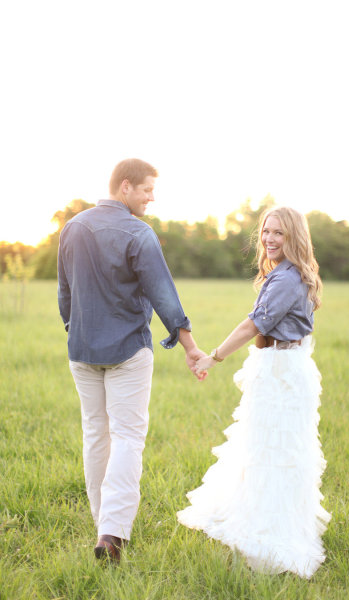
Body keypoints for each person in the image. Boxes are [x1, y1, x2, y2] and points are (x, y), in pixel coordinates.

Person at [58, 158, 206, 562]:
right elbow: (163, 295)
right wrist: (191, 346)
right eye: (147, 190)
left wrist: (75, 330)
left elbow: (64, 292)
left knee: (95, 435)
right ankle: (112, 534)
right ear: (125, 186)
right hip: (127, 351)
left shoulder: (73, 227)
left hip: (82, 350)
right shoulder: (139, 233)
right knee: (126, 437)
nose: (152, 198)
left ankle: (101, 524)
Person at [177, 206, 331, 578]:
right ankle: (258, 523)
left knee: (273, 455)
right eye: (266, 231)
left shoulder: (286, 279)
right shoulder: (288, 274)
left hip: (281, 375)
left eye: (279, 233)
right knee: (266, 451)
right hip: (282, 369)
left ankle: (271, 538)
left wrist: (213, 357)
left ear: (294, 236)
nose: (269, 239)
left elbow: (252, 326)